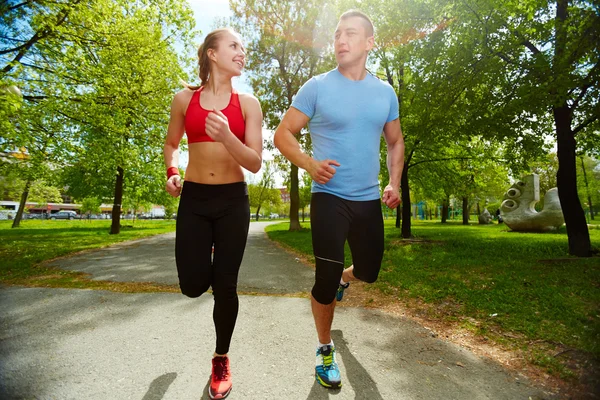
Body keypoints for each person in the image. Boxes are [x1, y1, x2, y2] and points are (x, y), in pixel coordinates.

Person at [273, 10, 405, 390]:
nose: (340, 41)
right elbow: (283, 134)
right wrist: (309, 164)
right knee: (324, 276)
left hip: (367, 200)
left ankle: (346, 279)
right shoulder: (317, 87)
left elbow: (395, 141)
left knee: (368, 271)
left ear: (369, 43)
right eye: (336, 35)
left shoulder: (384, 93)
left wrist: (394, 183)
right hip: (329, 197)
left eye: (350, 34)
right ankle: (324, 348)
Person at [163, 28, 262, 400]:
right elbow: (171, 144)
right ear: (212, 54)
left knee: (226, 285)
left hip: (233, 202)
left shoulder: (248, 103)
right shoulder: (184, 99)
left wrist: (227, 137)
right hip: (195, 200)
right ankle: (207, 258)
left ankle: (221, 358)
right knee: (192, 286)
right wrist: (172, 172)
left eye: (243, 47)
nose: (242, 52)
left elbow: (254, 162)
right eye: (234, 46)